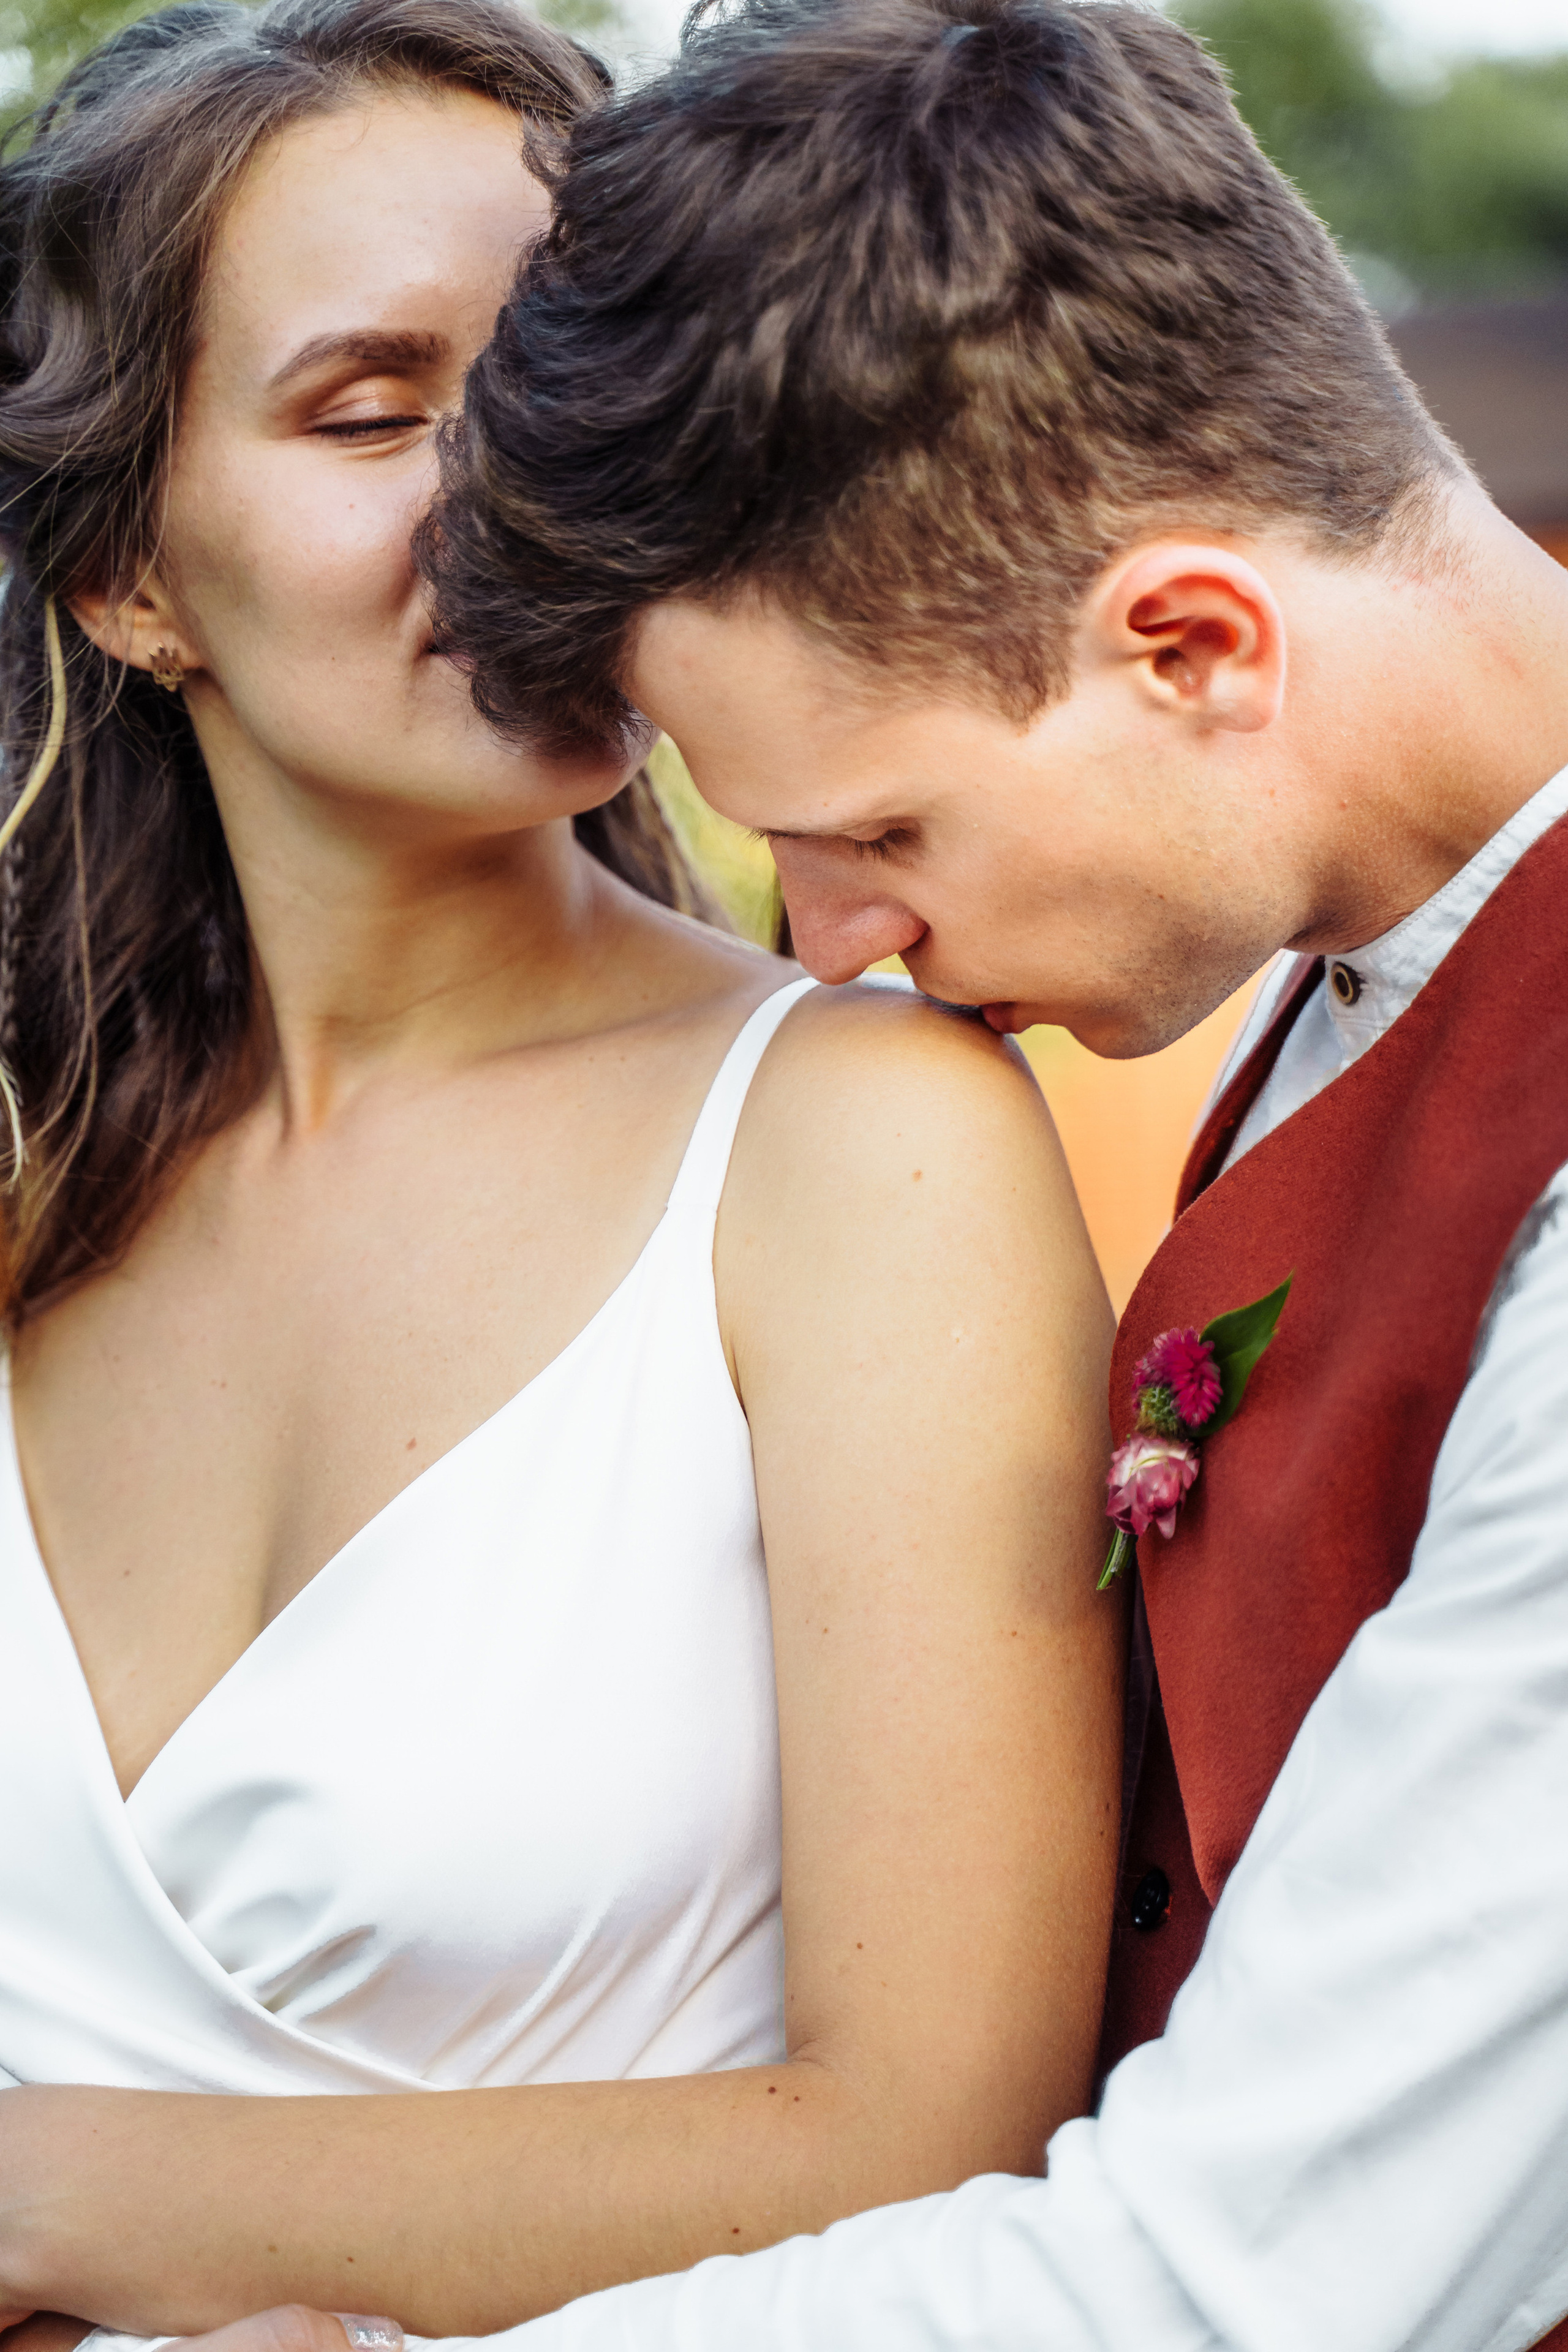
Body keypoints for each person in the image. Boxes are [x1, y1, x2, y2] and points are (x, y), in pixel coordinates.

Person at [195, 0, 1568, 2346]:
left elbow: (1263, 2280)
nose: (834, 947)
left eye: (872, 833)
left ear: (1195, 644)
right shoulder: (1378, 973)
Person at [0, 2, 1124, 2346]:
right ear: (125, 578)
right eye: (372, 409)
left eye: (555, 379)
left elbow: (935, 2133)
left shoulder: (857, 1144)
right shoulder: (27, 1166)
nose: (509, 486)